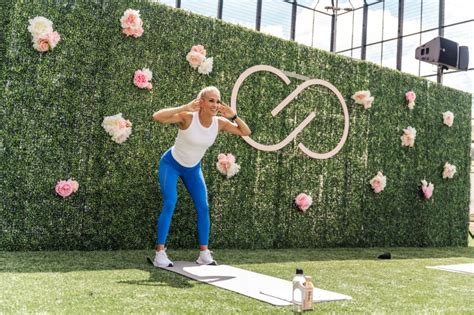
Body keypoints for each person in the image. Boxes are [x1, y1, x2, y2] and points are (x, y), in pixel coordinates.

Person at [151, 86, 251, 267]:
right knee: (170, 202)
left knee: (203, 207)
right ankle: (160, 253)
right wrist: (184, 107)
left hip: (193, 169)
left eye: (217, 101)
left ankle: (204, 254)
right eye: (211, 100)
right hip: (171, 164)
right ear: (201, 102)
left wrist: (233, 116)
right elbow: (157, 116)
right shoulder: (188, 117)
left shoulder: (219, 123)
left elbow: (246, 132)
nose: (215, 104)